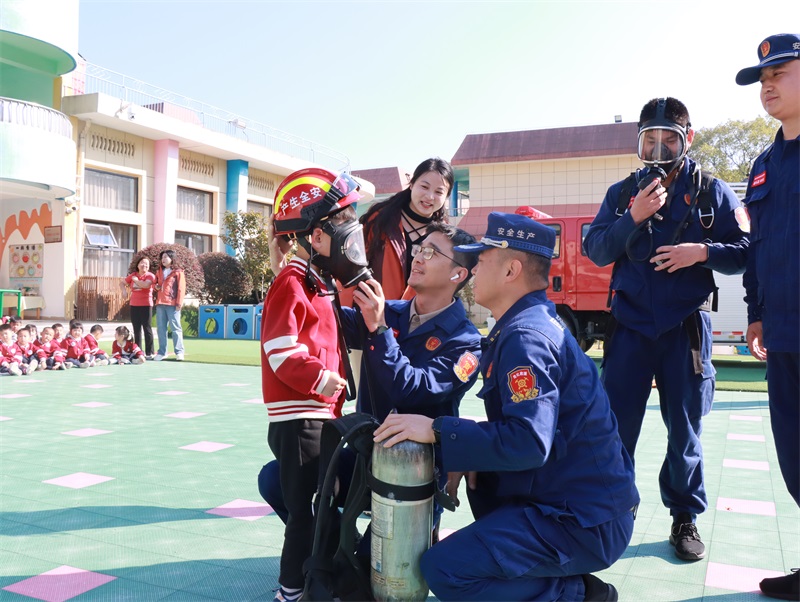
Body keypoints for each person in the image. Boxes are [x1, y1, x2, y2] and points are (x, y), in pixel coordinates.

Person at [374, 212, 638, 601]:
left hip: (583, 521)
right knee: (486, 489)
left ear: (512, 269)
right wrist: (467, 452)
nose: (474, 267)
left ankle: (576, 594)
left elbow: (528, 442)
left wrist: (436, 429)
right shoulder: (523, 326)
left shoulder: (526, 339)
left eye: (482, 259)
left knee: (444, 569)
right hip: (577, 506)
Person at [583, 97, 749, 561]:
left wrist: (701, 252)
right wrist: (633, 217)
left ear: (687, 139)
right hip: (630, 328)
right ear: (639, 142)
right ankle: (614, 512)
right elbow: (596, 249)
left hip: (685, 329)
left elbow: (745, 249)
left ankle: (683, 516)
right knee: (615, 429)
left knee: (685, 430)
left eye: (668, 139)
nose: (658, 148)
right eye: (649, 140)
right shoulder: (621, 194)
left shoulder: (712, 190)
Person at [259, 223, 482, 530]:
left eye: (431, 253)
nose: (418, 258)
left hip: (416, 470)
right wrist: (291, 274)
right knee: (277, 479)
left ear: (458, 274)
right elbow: (327, 317)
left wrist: (379, 330)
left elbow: (413, 390)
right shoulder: (390, 311)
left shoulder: (466, 342)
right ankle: (332, 557)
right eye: (419, 249)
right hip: (366, 456)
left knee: (393, 572)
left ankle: (357, 558)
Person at [261, 168, 367, 602]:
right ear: (314, 233)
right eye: (341, 220)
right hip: (301, 418)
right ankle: (291, 591)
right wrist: (328, 381)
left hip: (318, 415)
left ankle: (319, 580)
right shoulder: (292, 281)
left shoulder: (318, 281)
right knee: (307, 516)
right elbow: (281, 352)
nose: (349, 229)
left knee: (321, 509)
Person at [735, 33, 800, 601]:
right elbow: (759, 248)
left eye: (780, 72)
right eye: (762, 78)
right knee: (794, 451)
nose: (768, 85)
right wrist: (756, 314)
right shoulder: (763, 164)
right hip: (781, 332)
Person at [339, 157, 453, 305]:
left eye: (439, 192)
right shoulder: (380, 219)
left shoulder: (443, 236)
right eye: (424, 187)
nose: (430, 196)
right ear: (412, 184)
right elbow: (350, 268)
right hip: (372, 316)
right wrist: (344, 314)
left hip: (418, 320)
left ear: (446, 196)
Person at [153, 249, 186, 362]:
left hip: (172, 304)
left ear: (172, 259)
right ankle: (162, 352)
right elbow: (155, 284)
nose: (163, 259)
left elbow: (181, 288)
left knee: (176, 328)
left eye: (166, 257)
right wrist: (155, 287)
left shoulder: (178, 272)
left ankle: (179, 352)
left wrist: (179, 303)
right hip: (160, 303)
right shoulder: (159, 271)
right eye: (162, 257)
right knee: (161, 329)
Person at [125, 255, 156, 359]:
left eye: (147, 264)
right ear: (138, 265)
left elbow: (146, 285)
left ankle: (149, 352)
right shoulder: (133, 275)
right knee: (136, 329)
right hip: (134, 304)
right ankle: (138, 351)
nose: (144, 265)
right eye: (142, 263)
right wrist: (123, 291)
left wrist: (136, 280)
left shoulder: (150, 275)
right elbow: (122, 282)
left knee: (147, 328)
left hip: (146, 304)